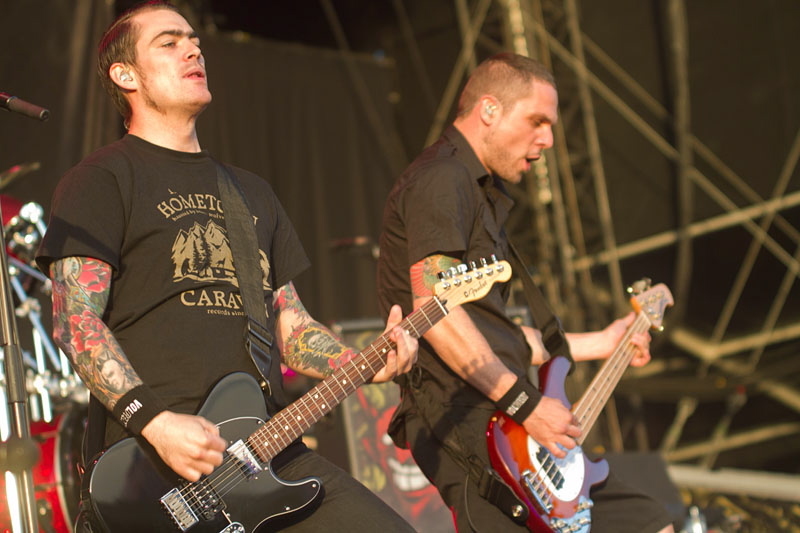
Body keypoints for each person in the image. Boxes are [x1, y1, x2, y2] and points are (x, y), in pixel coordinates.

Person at [35, 1, 418, 531]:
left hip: (268, 451)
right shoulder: (101, 180)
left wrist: (363, 362)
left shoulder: (250, 192)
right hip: (155, 465)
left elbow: (291, 327)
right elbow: (75, 322)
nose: (193, 50)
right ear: (125, 75)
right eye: (169, 42)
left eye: (194, 40)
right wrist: (157, 424)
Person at [376, 52, 675, 532]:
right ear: (489, 110)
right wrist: (526, 405)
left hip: (507, 412)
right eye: (537, 121)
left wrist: (604, 342)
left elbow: (499, 336)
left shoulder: (479, 192)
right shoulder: (442, 178)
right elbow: (435, 312)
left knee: (649, 522)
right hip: (467, 416)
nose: (549, 140)